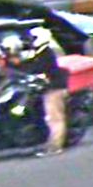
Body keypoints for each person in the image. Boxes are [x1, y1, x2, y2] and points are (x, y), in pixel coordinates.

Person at [21, 26, 68, 157]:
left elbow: (40, 68)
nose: (30, 41)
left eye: (32, 38)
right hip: (47, 88)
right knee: (50, 118)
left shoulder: (47, 53)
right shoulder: (40, 52)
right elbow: (29, 66)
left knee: (55, 118)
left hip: (54, 88)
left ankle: (55, 146)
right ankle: (50, 144)